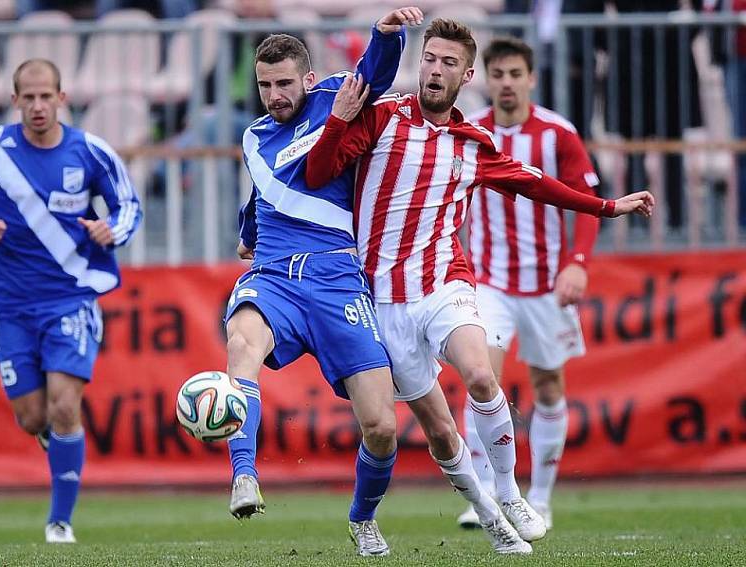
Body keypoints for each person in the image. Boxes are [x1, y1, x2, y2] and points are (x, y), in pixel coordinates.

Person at [305, 18, 654, 554]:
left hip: (446, 281)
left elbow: (537, 185)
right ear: (418, 63)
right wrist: (336, 121)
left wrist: (607, 207)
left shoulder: (475, 143)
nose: (435, 70)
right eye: (429, 59)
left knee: (480, 376)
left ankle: (512, 493)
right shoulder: (380, 119)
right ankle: (491, 519)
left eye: (448, 63)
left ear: (466, 75)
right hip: (382, 299)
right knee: (439, 434)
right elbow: (317, 172)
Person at [225, 7, 423, 557]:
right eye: (265, 85)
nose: (274, 95)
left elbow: (375, 75)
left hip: (337, 276)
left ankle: (362, 519)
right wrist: (247, 229)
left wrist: (387, 35)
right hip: (274, 275)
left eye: (284, 83)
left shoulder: (337, 93)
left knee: (382, 427)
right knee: (240, 343)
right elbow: (268, 188)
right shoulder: (255, 134)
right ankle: (244, 476)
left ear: (308, 78)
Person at [0, 59, 142, 543]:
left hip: (70, 297)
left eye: (45, 96)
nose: (37, 106)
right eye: (27, 97)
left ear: (62, 97)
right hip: (9, 305)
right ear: (14, 101)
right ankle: (57, 444)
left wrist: (109, 229)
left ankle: (60, 521)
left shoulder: (90, 152)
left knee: (63, 405)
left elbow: (128, 206)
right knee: (33, 416)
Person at [452, 35, 600, 533]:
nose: (507, 84)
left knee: (548, 386)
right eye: (498, 75)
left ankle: (540, 498)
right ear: (484, 79)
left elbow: (583, 201)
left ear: (531, 78)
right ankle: (488, 497)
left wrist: (577, 262)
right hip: (488, 281)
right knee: (479, 377)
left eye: (516, 74)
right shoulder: (470, 132)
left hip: (545, 285)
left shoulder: (557, 134)